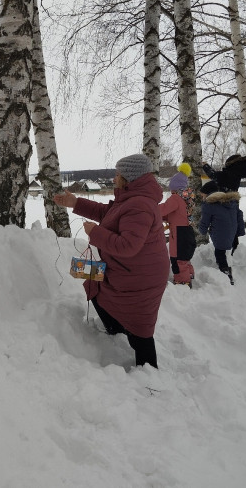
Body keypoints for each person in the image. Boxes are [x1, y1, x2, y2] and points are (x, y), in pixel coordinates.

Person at [54, 153, 170, 369]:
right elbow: (109, 213)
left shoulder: (140, 204)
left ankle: (148, 372)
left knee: (139, 328)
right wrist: (75, 202)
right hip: (130, 269)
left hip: (139, 277)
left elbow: (128, 245)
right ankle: (115, 330)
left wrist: (95, 232)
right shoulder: (132, 198)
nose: (115, 178)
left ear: (128, 177)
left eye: (118, 174)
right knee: (86, 274)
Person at [197, 180, 245, 284]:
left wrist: (202, 231)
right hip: (232, 232)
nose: (202, 198)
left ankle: (226, 274)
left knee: (219, 253)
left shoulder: (209, 205)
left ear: (209, 194)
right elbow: (239, 215)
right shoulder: (231, 202)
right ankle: (228, 268)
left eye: (203, 195)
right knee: (225, 251)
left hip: (220, 233)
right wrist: (240, 231)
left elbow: (205, 222)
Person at [159, 163, 196, 287]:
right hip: (188, 232)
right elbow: (172, 214)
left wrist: (149, 208)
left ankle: (182, 283)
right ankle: (190, 276)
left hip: (179, 234)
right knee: (185, 259)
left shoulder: (175, 198)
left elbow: (162, 209)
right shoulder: (186, 199)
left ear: (175, 187)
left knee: (178, 260)